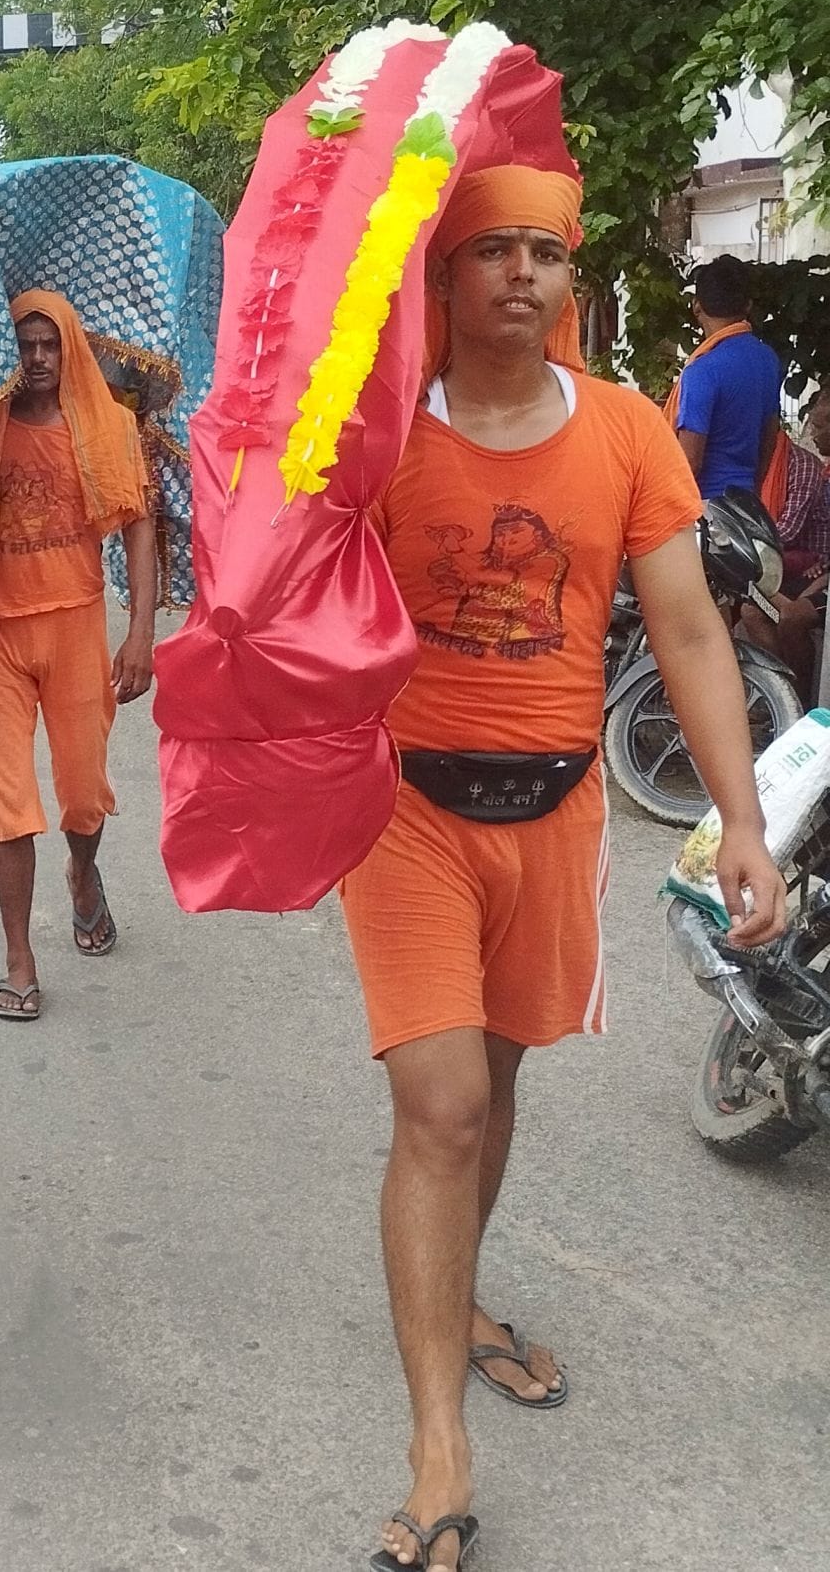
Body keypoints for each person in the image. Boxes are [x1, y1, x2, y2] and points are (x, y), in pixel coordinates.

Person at [337, 168, 787, 1572]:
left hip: (560, 814)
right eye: (493, 251)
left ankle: (457, 1296)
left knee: (502, 1080)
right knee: (446, 1102)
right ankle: (437, 1444)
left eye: (545, 250)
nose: (523, 274)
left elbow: (694, 637)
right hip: (405, 812)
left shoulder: (629, 431)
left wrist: (749, 823)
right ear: (444, 278)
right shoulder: (376, 440)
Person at [0, 290, 156, 1022]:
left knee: (85, 792)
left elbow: (137, 530)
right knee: (8, 805)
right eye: (22, 345)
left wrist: (141, 632)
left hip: (75, 625)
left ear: (68, 350)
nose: (35, 358)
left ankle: (83, 874)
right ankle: (19, 958)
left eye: (48, 344)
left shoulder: (108, 427)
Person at [667, 255, 783, 499]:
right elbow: (769, 437)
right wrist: (752, 491)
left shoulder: (702, 371)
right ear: (748, 306)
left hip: (707, 509)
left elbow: (690, 461)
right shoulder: (767, 359)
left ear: (696, 306)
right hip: (745, 504)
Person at [739, 388, 830, 697]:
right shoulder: (765, 465)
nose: (813, 434)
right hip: (804, 567)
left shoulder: (803, 466)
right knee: (752, 612)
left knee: (790, 615)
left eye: (819, 427)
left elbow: (787, 532)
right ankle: (782, 692)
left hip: (809, 563)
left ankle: (804, 699)